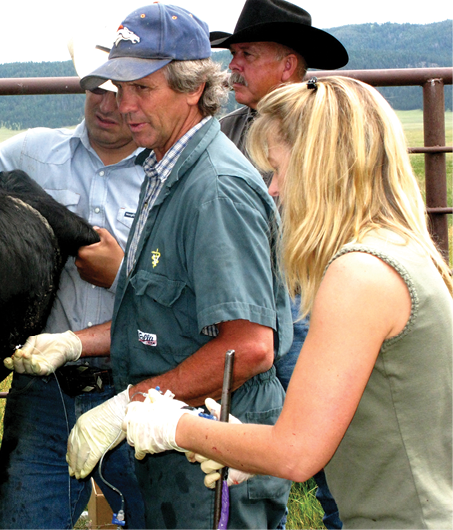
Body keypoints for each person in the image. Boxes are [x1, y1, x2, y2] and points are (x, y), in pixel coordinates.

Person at [122, 76, 453, 529]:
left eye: (278, 168)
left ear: (322, 168)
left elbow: (297, 453)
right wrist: (240, 445)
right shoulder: (400, 251)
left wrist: (170, 425)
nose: (274, 189)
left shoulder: (359, 274)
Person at [65, 3, 294, 529]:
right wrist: (75, 343)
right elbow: (165, 318)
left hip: (215, 453)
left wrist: (127, 405)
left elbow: (252, 347)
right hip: (178, 441)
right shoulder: (163, 167)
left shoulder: (213, 190)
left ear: (193, 88)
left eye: (142, 89)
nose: (124, 106)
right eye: (118, 89)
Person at [0, 40, 146, 530]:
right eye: (96, 88)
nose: (107, 105)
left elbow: (185, 289)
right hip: (46, 388)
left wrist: (122, 272)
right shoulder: (31, 154)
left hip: (139, 387)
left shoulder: (168, 178)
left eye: (121, 92)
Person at [211, 1, 348, 527]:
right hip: (252, 310)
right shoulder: (225, 131)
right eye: (233, 54)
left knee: (337, 459)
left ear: (288, 64)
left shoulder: (325, 129)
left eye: (246, 54)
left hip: (312, 304)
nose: (233, 66)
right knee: (252, 466)